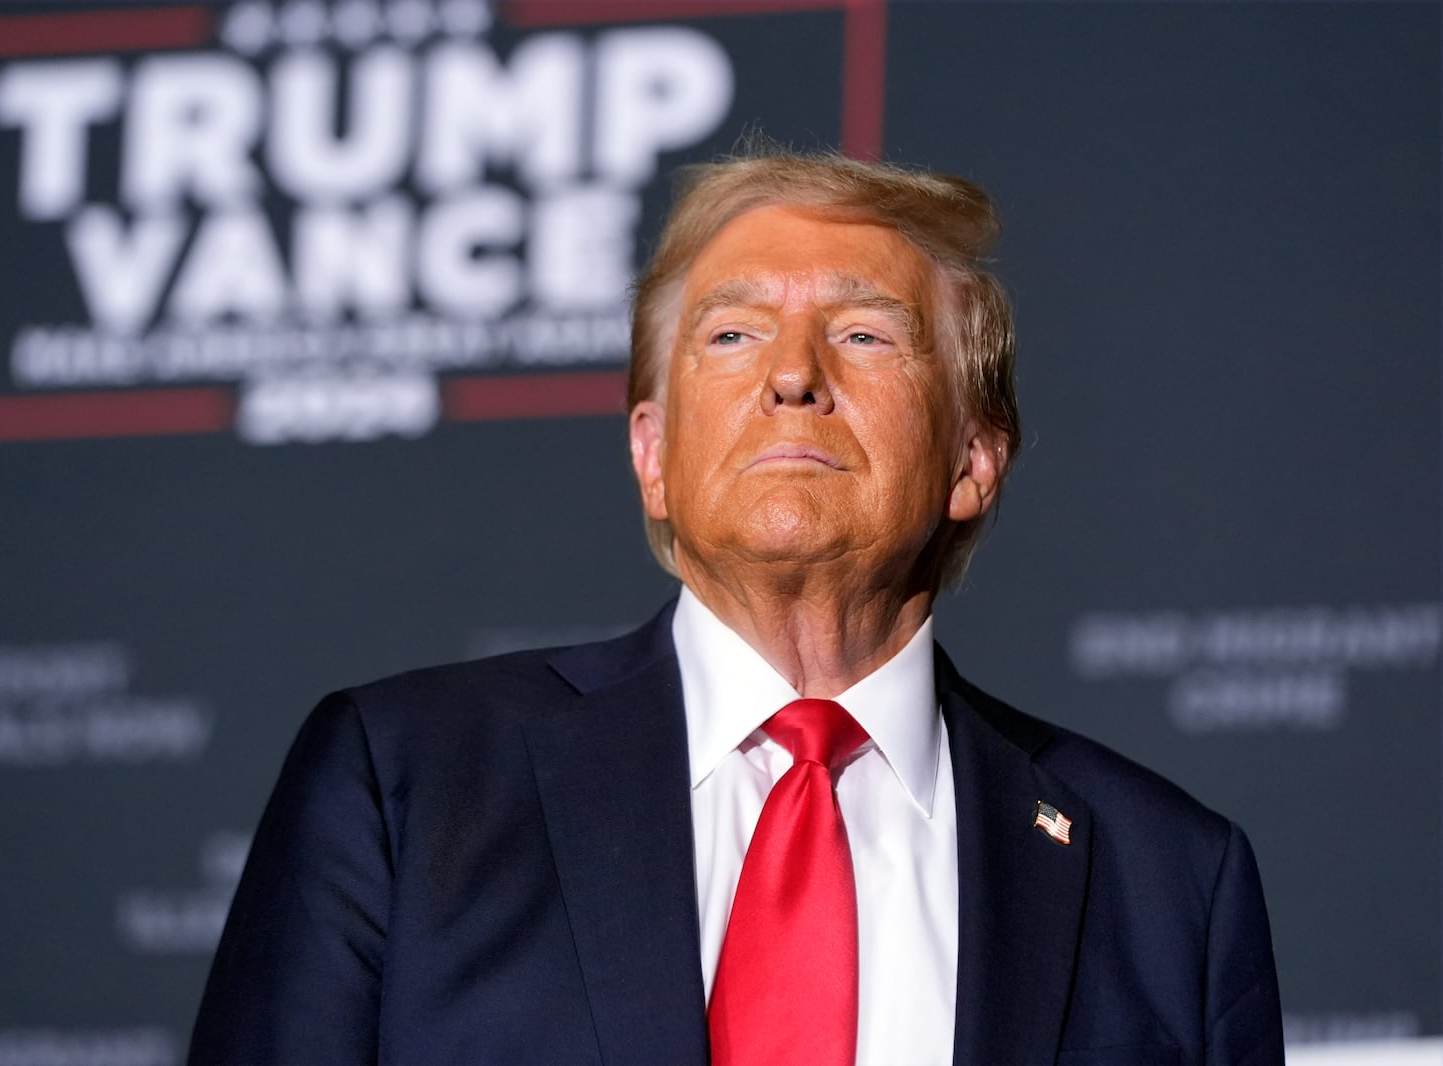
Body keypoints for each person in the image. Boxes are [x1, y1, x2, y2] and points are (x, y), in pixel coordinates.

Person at [189, 149, 1284, 1066]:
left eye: (863, 334)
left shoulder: (1167, 879)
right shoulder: (406, 784)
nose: (793, 375)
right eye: (731, 334)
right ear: (652, 455)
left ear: (972, 459)